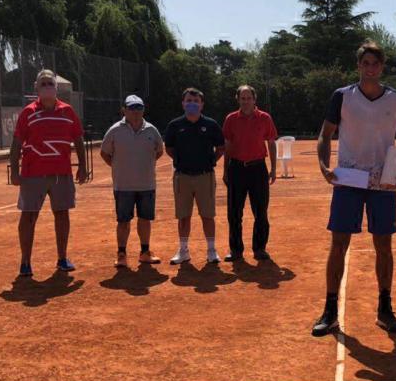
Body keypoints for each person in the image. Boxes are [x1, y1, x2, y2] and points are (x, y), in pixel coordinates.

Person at [311, 40, 396, 337]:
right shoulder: (342, 96)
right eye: (365, 63)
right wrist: (323, 165)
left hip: (383, 183)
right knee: (339, 244)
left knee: (384, 246)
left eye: (375, 64)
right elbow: (324, 134)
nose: (370, 69)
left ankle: (385, 308)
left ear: (382, 67)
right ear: (359, 66)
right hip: (349, 180)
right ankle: (330, 311)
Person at [10, 69, 88, 277]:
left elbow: (78, 139)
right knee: (28, 216)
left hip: (61, 173)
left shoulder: (68, 111)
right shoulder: (28, 112)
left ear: (56, 87)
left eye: (50, 83)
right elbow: (16, 143)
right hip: (33, 174)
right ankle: (25, 262)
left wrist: (83, 165)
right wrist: (14, 172)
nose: (47, 87)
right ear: (36, 87)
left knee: (62, 215)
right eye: (43, 83)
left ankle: (62, 259)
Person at [164, 88, 225, 264]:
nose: (192, 104)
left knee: (208, 215)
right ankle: (183, 251)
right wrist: (181, 160)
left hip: (205, 176)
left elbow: (221, 147)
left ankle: (211, 250)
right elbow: (169, 148)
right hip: (182, 176)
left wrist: (211, 161)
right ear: (183, 103)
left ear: (202, 104)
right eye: (189, 101)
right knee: (183, 216)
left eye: (196, 101)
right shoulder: (175, 125)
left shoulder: (211, 125)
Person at [100, 95, 163, 267]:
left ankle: (144, 252)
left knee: (145, 219)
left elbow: (159, 151)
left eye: (139, 108)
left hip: (146, 185)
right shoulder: (115, 130)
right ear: (124, 110)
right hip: (123, 185)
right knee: (123, 221)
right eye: (132, 108)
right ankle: (121, 254)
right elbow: (104, 153)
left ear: (143, 110)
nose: (136, 112)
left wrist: (143, 166)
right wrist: (118, 167)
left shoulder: (151, 130)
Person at [222, 85, 278, 262]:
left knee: (260, 211)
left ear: (255, 100)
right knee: (234, 213)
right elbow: (228, 146)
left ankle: (260, 248)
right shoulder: (231, 119)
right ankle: (236, 250)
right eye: (242, 98)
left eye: (249, 98)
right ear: (237, 99)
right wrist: (225, 170)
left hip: (258, 169)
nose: (246, 101)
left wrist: (274, 168)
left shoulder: (264, 118)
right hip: (237, 169)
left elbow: (271, 142)